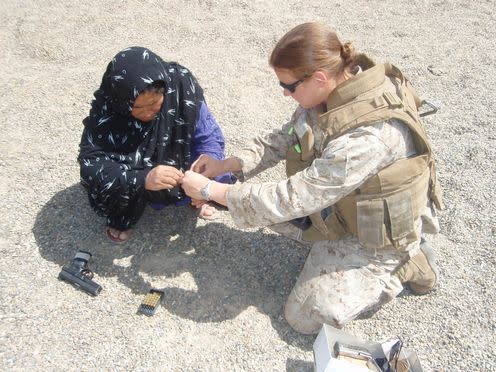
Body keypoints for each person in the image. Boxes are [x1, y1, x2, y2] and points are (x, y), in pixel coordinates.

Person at [180, 22, 444, 334]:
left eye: (289, 86)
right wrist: (226, 165)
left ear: (318, 77)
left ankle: (404, 264)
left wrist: (210, 190)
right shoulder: (335, 88)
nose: (284, 92)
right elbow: (286, 137)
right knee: (257, 207)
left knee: (305, 316)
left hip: (376, 235)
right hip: (345, 203)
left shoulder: (367, 138)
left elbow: (292, 197)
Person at [78, 47, 233, 244]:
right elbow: (91, 166)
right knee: (110, 187)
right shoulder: (107, 110)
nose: (148, 113)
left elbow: (208, 134)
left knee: (211, 166)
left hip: (179, 159)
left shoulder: (180, 85)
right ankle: (131, 208)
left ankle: (198, 192)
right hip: (137, 170)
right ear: (121, 101)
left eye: (155, 104)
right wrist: (143, 178)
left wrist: (205, 174)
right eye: (139, 107)